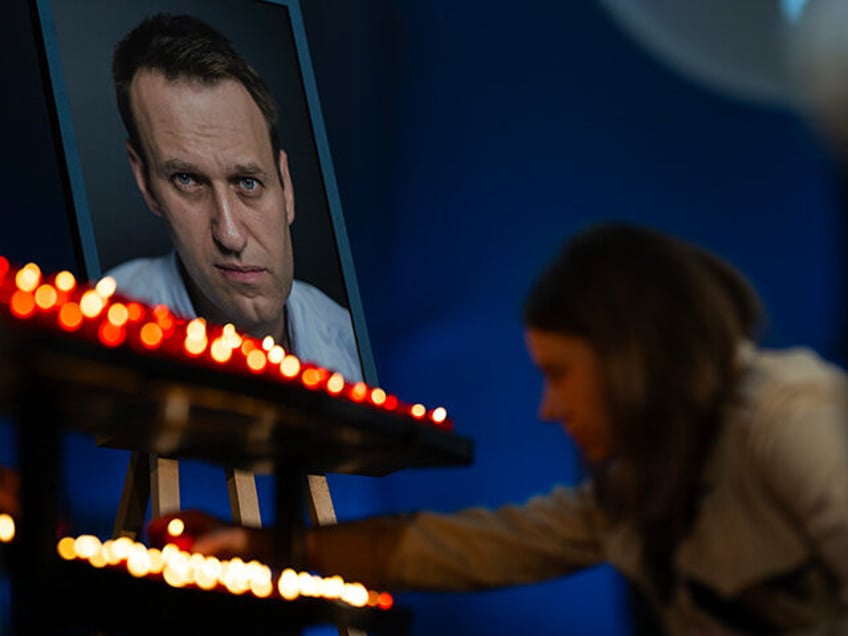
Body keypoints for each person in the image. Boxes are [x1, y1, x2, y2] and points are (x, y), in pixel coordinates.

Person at [149, 223, 848, 634]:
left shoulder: (786, 418)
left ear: (631, 361)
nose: (548, 407)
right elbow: (476, 548)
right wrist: (260, 544)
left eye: (561, 373)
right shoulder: (639, 485)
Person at [107, 13, 361, 382]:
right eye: (187, 179)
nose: (230, 234)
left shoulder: (352, 342)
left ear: (286, 186)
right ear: (144, 181)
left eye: (247, 183)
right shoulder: (107, 325)